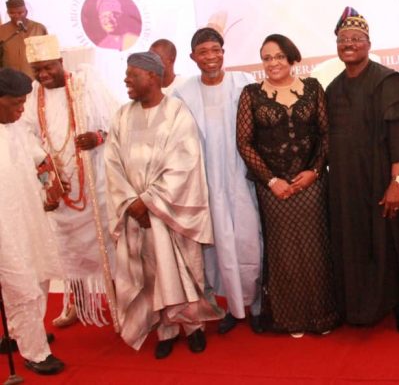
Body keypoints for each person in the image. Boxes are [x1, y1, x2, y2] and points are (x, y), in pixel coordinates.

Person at [104, 52, 223, 358]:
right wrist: (131, 202)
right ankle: (165, 330)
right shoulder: (121, 115)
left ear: (153, 77)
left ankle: (193, 328)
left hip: (171, 212)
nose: (126, 80)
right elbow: (112, 164)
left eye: (133, 75)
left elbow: (184, 165)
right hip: (136, 213)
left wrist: (150, 202)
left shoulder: (176, 112)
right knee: (151, 275)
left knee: (184, 271)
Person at [326, 7, 399, 333]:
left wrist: (396, 182)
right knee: (353, 245)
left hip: (382, 180)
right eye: (343, 40)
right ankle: (356, 307)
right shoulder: (333, 88)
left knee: (390, 244)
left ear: (369, 44)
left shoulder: (388, 80)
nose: (349, 44)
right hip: (345, 183)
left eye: (356, 39)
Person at [236, 34, 340, 337]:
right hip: (273, 189)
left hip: (312, 185)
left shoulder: (311, 89)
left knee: (316, 250)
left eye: (279, 56)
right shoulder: (251, 95)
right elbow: (244, 143)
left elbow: (326, 135)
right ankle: (292, 317)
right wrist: (271, 180)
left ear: (292, 58)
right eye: (267, 58)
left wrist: (315, 172)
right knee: (285, 253)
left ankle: (322, 316)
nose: (273, 63)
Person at [22, 34, 118, 329]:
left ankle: (118, 301)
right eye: (37, 69)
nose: (43, 75)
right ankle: (76, 302)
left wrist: (99, 137)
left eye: (48, 67)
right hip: (60, 187)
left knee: (108, 244)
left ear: (61, 62)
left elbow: (118, 123)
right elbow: (25, 136)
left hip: (94, 183)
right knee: (68, 248)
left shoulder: (85, 84)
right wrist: (46, 173)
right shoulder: (33, 97)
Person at [173, 28, 262, 335]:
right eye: (204, 52)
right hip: (205, 183)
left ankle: (257, 306)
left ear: (223, 53)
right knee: (217, 249)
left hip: (242, 177)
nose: (211, 57)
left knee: (250, 242)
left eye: (216, 51)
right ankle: (228, 307)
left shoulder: (243, 83)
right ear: (193, 57)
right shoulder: (182, 92)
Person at [0, 68, 64, 375]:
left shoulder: (16, 128)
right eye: (15, 104)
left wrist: (49, 180)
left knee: (38, 275)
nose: (21, 109)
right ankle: (36, 352)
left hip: (29, 217)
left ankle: (20, 332)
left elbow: (40, 159)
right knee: (20, 283)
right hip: (4, 228)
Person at [0, 0, 47, 78]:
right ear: (8, 13)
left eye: (20, 12)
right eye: (12, 13)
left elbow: (48, 54)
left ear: (26, 12)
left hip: (34, 77)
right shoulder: (2, 31)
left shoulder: (39, 28)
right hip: (9, 80)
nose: (16, 16)